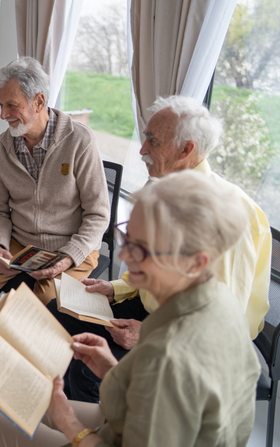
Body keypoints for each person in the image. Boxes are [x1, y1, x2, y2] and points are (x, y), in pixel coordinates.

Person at [0, 171, 260, 447]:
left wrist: (71, 426)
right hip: (166, 441)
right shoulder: (219, 300)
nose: (124, 254)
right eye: (127, 236)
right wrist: (111, 368)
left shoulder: (168, 354)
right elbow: (162, 404)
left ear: (196, 261)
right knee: (34, 406)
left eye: (141, 247)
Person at [50, 95, 272, 403]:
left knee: (86, 373)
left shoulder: (229, 214)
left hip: (197, 336)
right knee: (54, 312)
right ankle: (70, 412)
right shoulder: (161, 187)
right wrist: (114, 288)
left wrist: (149, 334)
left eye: (153, 141)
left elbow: (224, 319)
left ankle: (107, 443)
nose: (142, 150)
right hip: (152, 308)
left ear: (186, 149)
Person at [0, 56, 110, 315]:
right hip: (21, 244)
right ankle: (19, 332)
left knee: (44, 304)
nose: (3, 114)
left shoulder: (80, 140)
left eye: (11, 105)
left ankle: (23, 337)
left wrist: (69, 256)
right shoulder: (4, 146)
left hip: (70, 245)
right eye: (1, 105)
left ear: (39, 101)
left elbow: (98, 214)